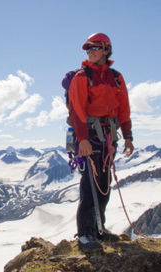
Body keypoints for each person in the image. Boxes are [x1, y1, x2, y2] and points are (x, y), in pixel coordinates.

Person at [68, 33, 134, 253]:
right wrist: (82, 139)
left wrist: (128, 136)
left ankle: (98, 229)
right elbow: (76, 109)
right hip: (91, 137)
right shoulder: (82, 76)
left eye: (94, 48)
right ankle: (85, 235)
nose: (90, 52)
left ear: (106, 49)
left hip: (109, 137)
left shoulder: (116, 77)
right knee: (90, 185)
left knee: (104, 185)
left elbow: (123, 107)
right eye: (88, 49)